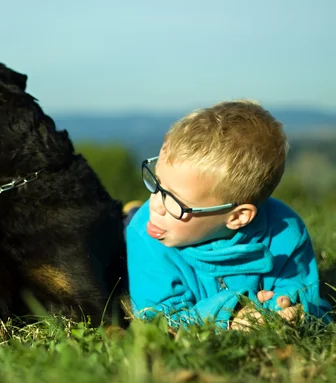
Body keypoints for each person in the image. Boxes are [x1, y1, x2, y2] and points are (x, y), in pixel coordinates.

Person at [125, 100, 331, 330]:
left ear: (238, 217)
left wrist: (286, 310)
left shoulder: (286, 234)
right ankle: (127, 212)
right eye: (158, 182)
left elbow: (308, 300)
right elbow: (156, 319)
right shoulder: (145, 231)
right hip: (127, 228)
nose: (155, 204)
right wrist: (227, 316)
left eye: (174, 200)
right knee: (126, 223)